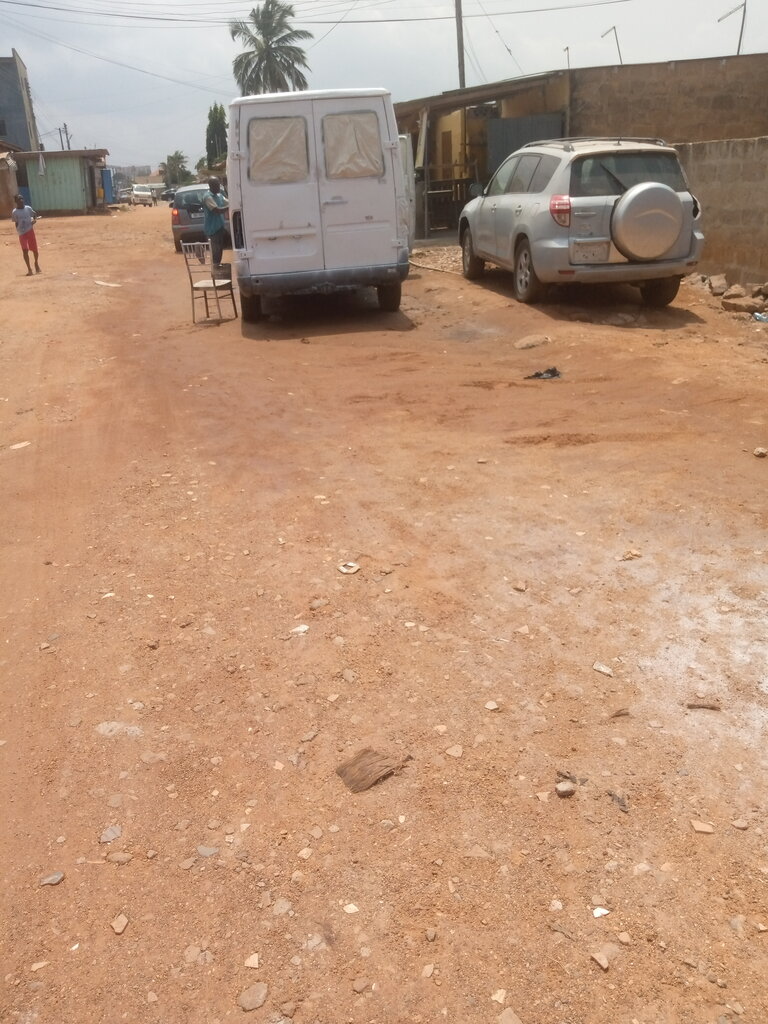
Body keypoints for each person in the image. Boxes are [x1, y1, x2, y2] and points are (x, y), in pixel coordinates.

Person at [11, 194, 41, 276]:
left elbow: (35, 214)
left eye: (22, 198)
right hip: (22, 233)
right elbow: (16, 223)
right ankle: (29, 269)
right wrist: (19, 230)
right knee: (25, 250)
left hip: (30, 231)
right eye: (19, 199)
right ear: (16, 201)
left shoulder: (28, 208)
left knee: (35, 250)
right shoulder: (15, 212)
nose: (21, 200)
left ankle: (36, 263)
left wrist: (34, 221)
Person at [202, 176, 229, 269]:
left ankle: (217, 269)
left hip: (219, 228)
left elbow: (228, 202)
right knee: (215, 252)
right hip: (212, 229)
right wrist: (229, 207)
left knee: (219, 251)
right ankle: (214, 272)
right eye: (217, 185)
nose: (219, 187)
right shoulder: (208, 197)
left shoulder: (219, 196)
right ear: (211, 186)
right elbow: (216, 210)